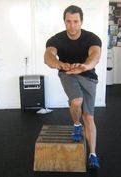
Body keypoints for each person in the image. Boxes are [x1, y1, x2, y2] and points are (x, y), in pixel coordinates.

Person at [44, 5, 101, 169]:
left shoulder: (92, 38)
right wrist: (60, 64)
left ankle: (93, 154)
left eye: (76, 21)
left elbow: (95, 56)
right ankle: (77, 125)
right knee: (76, 101)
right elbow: (48, 56)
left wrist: (84, 66)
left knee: (89, 117)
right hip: (67, 73)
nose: (72, 25)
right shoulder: (56, 39)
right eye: (68, 21)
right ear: (64, 22)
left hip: (88, 76)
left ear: (81, 22)